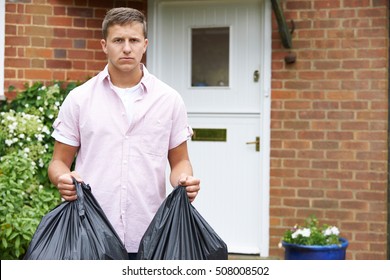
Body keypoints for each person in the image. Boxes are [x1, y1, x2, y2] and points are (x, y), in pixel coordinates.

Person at [48, 7, 200, 260]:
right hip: (89, 233)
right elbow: (58, 162)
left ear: (145, 44)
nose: (126, 48)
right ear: (104, 45)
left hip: (152, 232)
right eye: (118, 40)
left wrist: (184, 180)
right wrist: (62, 178)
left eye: (134, 40)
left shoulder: (169, 100)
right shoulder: (79, 99)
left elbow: (180, 160)